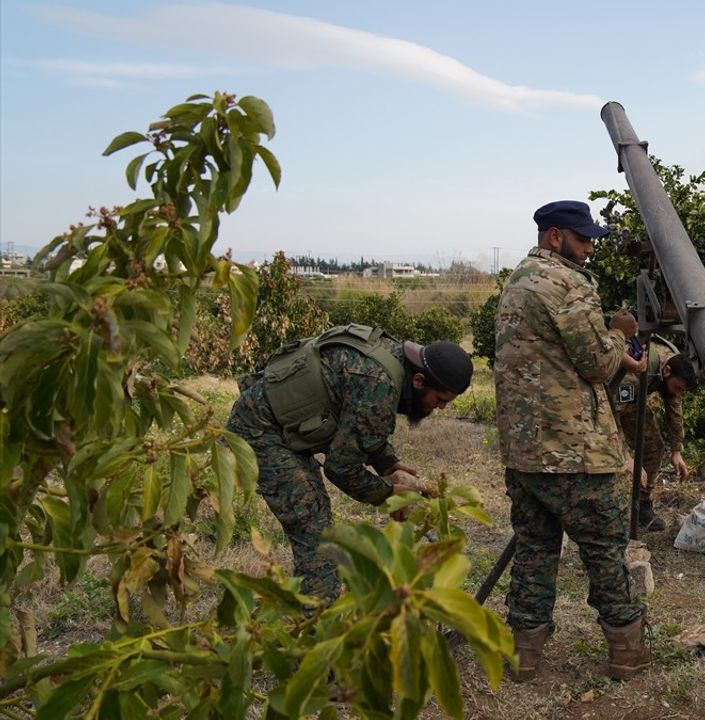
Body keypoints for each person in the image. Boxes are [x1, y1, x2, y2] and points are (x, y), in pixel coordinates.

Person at [494, 200, 651, 683]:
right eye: (583, 240)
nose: (589, 249)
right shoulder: (569, 284)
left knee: (535, 553)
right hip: (578, 453)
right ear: (555, 237)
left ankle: (523, 658)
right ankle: (627, 654)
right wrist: (621, 334)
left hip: (525, 454)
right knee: (604, 552)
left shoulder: (517, 282)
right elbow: (597, 365)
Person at [226, 325, 473, 603]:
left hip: (278, 419)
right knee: (314, 526)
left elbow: (359, 425)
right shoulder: (380, 384)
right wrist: (389, 494)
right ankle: (315, 617)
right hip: (260, 431)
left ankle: (313, 603)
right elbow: (341, 468)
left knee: (317, 522)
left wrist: (389, 465)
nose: (441, 408)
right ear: (418, 381)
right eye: (439, 399)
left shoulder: (392, 357)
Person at [612, 338, 698, 531]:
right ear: (666, 371)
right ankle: (607, 510)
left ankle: (642, 505)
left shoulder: (675, 369)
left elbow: (674, 411)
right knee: (611, 457)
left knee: (654, 447)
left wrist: (676, 451)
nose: (679, 393)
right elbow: (610, 414)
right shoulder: (635, 373)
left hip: (633, 400)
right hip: (604, 402)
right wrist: (626, 456)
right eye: (679, 388)